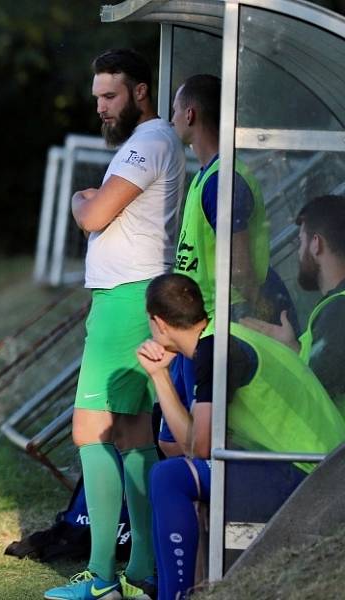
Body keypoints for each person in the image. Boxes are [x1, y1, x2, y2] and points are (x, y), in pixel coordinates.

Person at [44, 48, 185, 600]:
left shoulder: (149, 140)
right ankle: (142, 572)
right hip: (127, 297)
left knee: (90, 429)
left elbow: (96, 214)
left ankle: (103, 576)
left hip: (128, 299)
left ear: (141, 91)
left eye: (111, 95)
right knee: (130, 435)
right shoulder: (144, 141)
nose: (101, 107)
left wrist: (83, 199)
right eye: (98, 97)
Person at [137, 273, 345, 600]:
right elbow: (193, 442)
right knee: (182, 473)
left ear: (158, 323)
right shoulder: (225, 334)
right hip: (325, 467)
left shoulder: (214, 350)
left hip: (313, 476)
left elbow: (198, 447)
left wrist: (160, 378)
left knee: (168, 476)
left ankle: (172, 596)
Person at [159, 73, 298, 457]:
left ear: (190, 114)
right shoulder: (206, 176)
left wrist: (248, 312)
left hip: (219, 322)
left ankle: (211, 513)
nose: (171, 119)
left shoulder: (225, 179)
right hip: (196, 321)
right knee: (173, 439)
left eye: (174, 111)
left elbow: (239, 266)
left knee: (197, 441)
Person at [242, 195, 345, 414]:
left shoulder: (338, 312)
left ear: (316, 244)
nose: (299, 252)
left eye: (301, 242)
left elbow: (316, 398)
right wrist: (293, 349)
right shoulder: (334, 307)